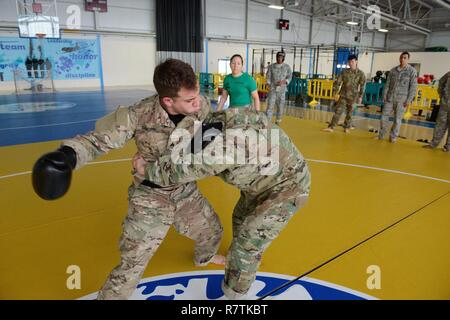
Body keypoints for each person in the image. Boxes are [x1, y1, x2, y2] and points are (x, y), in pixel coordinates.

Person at [31, 59, 225, 300]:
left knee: (214, 231)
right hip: (151, 197)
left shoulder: (201, 104)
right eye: (189, 100)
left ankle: (204, 259)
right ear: (167, 101)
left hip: (185, 190)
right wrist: (67, 156)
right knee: (131, 266)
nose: (197, 103)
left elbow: (215, 126)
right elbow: (96, 141)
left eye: (197, 95)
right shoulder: (138, 115)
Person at [133, 107, 311, 299]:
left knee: (247, 244)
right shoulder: (216, 121)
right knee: (240, 218)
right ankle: (242, 260)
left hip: (288, 188)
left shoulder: (224, 147)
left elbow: (184, 170)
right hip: (262, 181)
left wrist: (148, 170)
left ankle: (235, 295)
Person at [376, 52, 418, 143]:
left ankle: (393, 137)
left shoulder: (412, 71)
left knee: (397, 120)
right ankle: (381, 134)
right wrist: (384, 95)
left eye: (405, 58)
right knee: (383, 117)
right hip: (390, 98)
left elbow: (413, 87)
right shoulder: (393, 70)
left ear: (408, 59)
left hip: (402, 100)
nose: (402, 59)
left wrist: (409, 100)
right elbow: (387, 84)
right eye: (401, 57)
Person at [322, 55, 366, 133]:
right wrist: (334, 93)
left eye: (352, 61)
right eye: (349, 62)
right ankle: (331, 127)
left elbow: (363, 85)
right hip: (343, 96)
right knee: (338, 111)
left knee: (350, 113)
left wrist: (360, 96)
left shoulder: (361, 74)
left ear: (356, 62)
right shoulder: (344, 72)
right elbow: (338, 82)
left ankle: (347, 127)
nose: (351, 63)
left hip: (353, 97)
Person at [423, 71, 450, 152]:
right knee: (440, 125)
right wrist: (442, 96)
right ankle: (433, 144)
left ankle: (448, 147)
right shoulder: (448, 74)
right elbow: (440, 83)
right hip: (445, 104)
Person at [265, 51, 292, 125]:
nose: (279, 59)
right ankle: (268, 122)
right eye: (278, 57)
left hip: (282, 90)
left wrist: (284, 81)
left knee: (280, 106)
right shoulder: (271, 67)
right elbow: (268, 77)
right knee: (270, 106)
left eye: (281, 57)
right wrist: (268, 84)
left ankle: (278, 121)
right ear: (276, 57)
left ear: (283, 58)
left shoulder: (287, 67)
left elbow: (290, 77)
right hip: (272, 89)